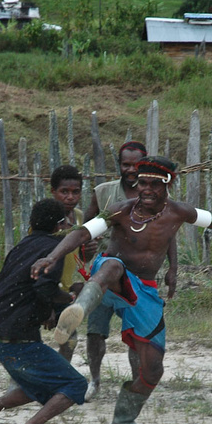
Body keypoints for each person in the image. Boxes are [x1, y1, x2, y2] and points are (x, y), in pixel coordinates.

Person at [32, 156, 212, 424]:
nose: (146, 189)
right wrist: (52, 255)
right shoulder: (120, 211)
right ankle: (78, 309)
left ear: (168, 184)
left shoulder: (179, 212)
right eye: (142, 183)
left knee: (153, 369)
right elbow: (83, 233)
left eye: (154, 184)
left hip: (144, 290)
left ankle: (124, 421)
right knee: (113, 265)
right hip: (109, 278)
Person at [0, 199, 88, 424]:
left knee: (36, 385)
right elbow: (45, 288)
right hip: (15, 336)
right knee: (75, 384)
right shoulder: (54, 251)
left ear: (32, 223)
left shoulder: (23, 245)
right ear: (60, 226)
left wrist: (44, 310)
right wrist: (70, 297)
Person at [82, 141, 178, 401]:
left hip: (138, 280)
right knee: (95, 331)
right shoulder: (104, 192)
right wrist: (83, 250)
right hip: (106, 273)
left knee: (137, 336)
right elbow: (86, 227)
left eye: (136, 165)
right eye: (126, 164)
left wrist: (173, 268)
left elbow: (168, 233)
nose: (131, 170)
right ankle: (95, 380)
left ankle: (137, 381)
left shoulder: (157, 195)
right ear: (120, 165)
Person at [49, 165, 97, 362]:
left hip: (65, 289)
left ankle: (60, 377)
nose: (70, 197)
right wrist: (47, 303)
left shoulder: (78, 217)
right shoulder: (46, 218)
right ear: (53, 192)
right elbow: (39, 257)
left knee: (70, 340)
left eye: (75, 192)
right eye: (64, 192)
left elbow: (79, 257)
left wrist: (88, 252)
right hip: (46, 287)